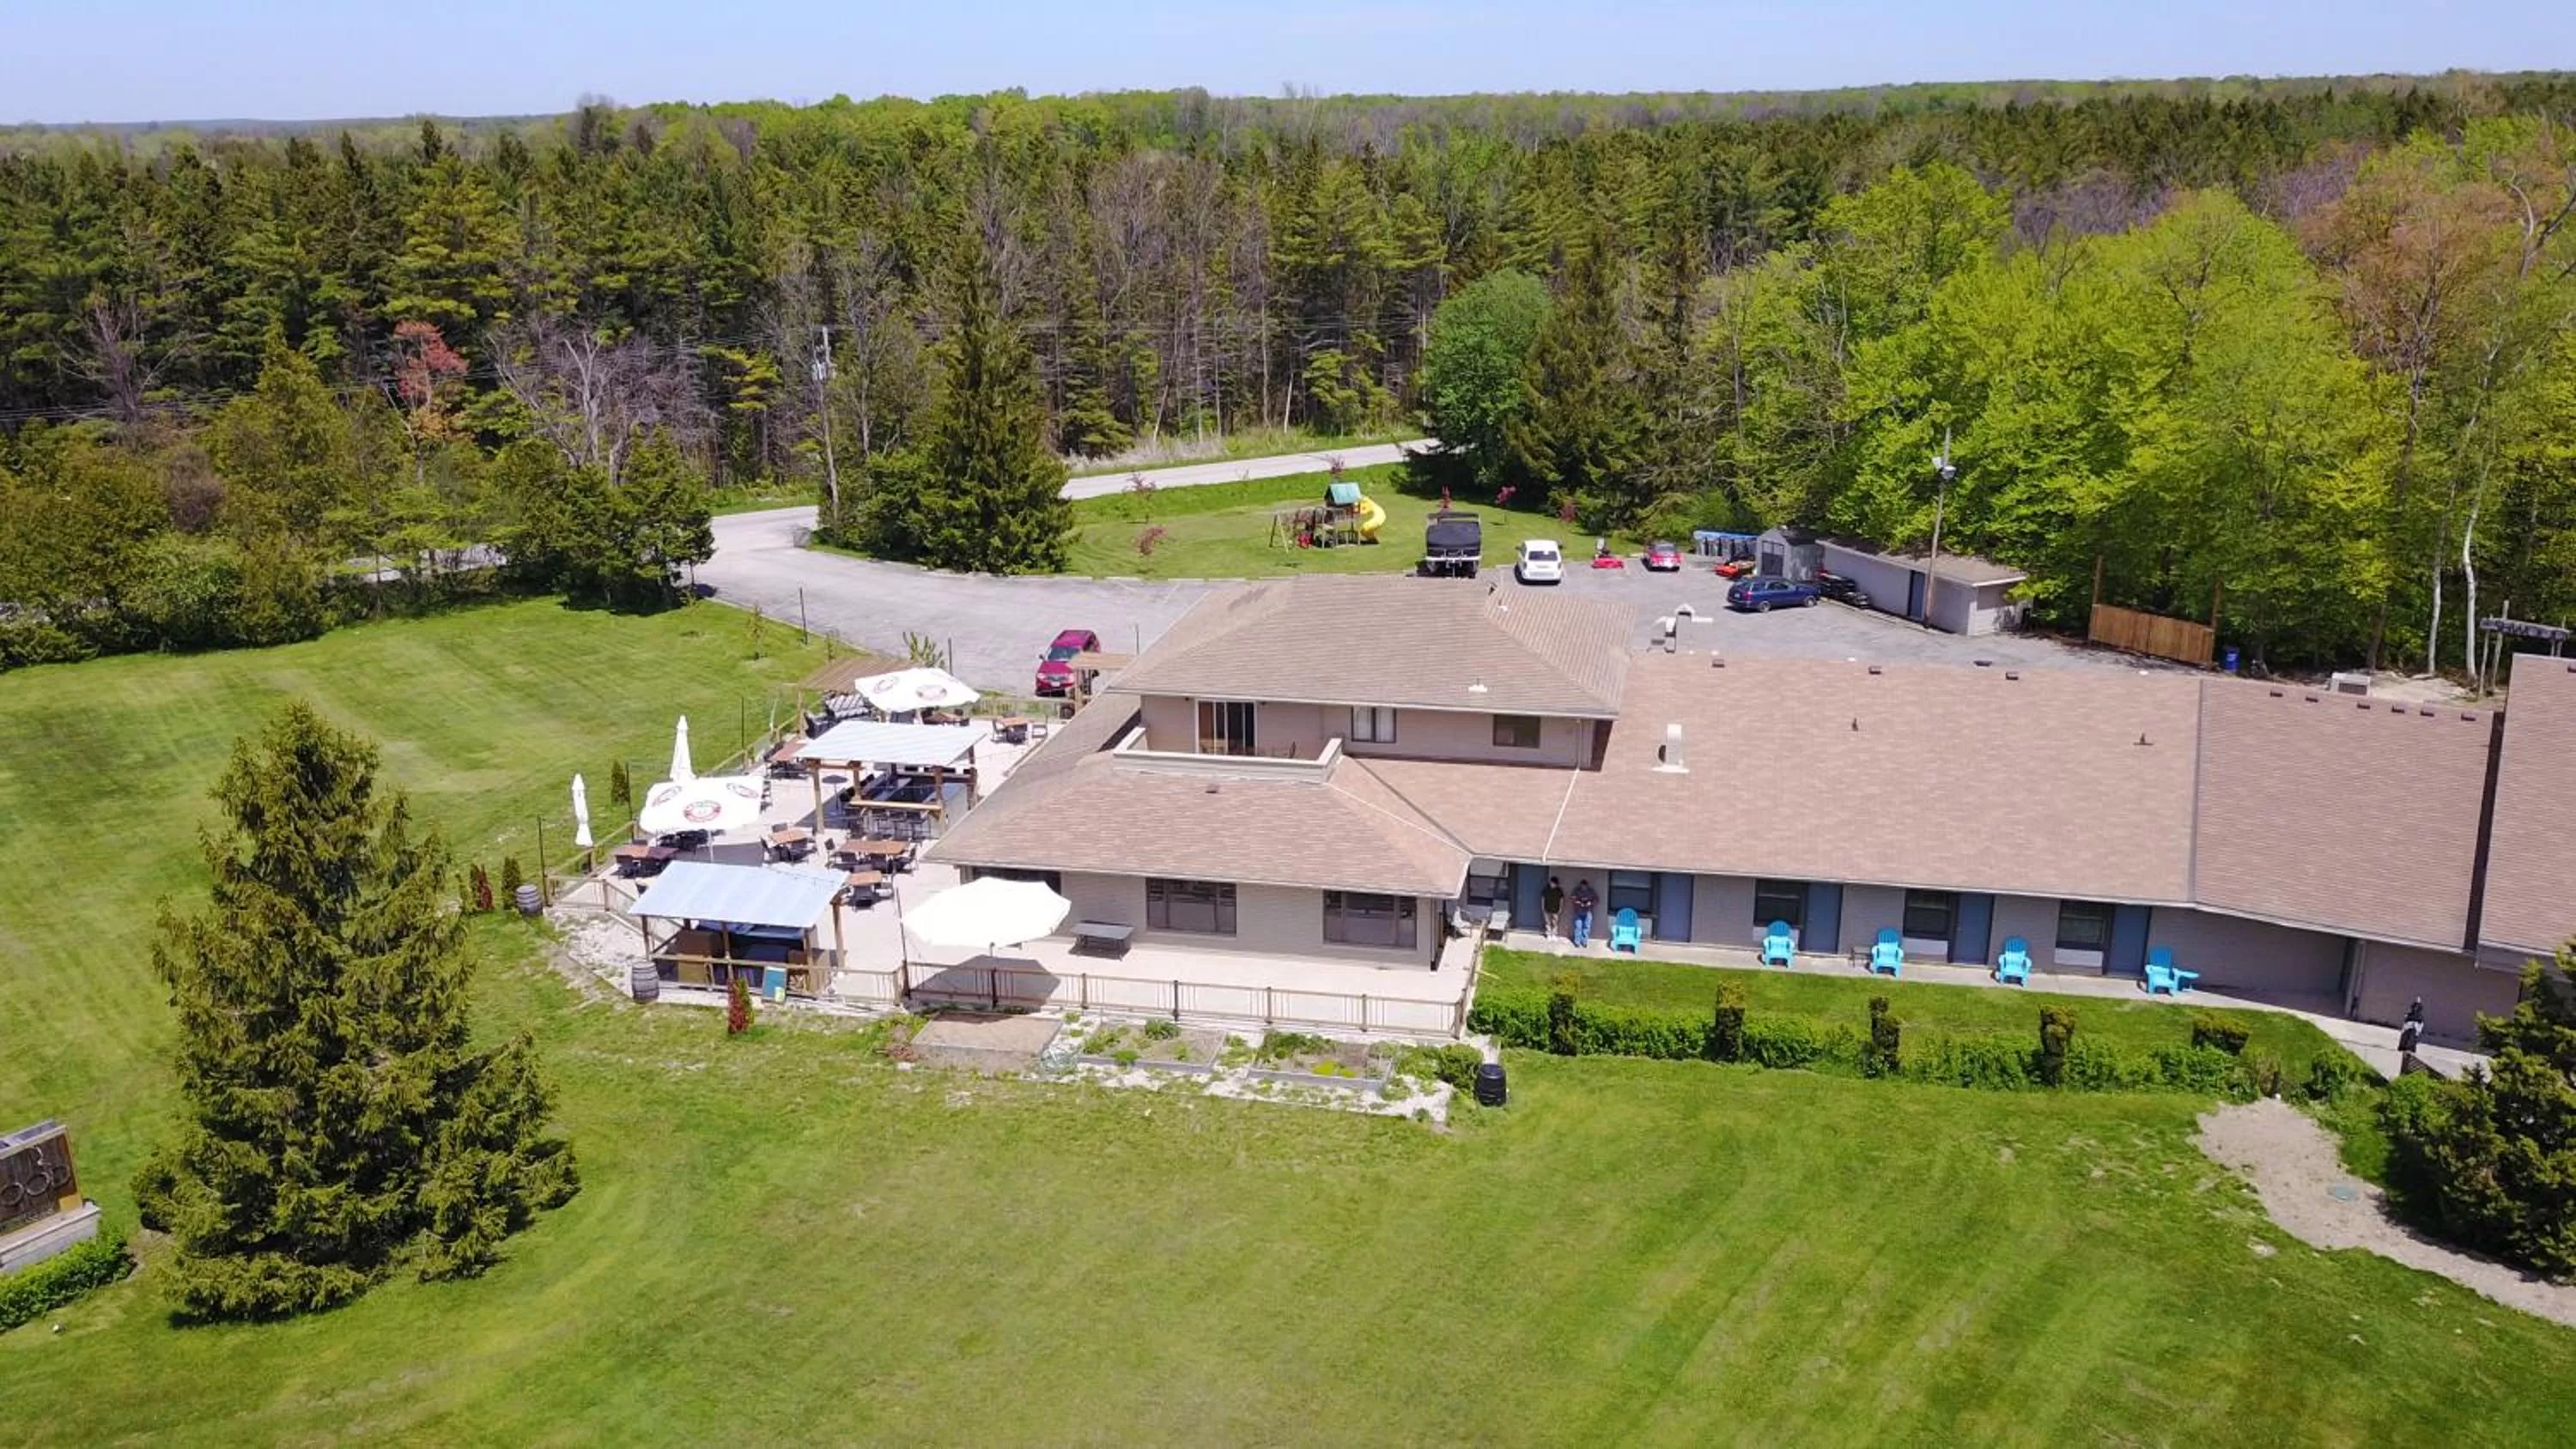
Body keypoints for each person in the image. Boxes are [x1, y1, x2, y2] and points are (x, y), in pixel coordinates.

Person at [1569, 878, 1599, 949]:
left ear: (1587, 886)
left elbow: (1596, 899)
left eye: (1585, 886)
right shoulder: (1577, 890)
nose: (1583, 887)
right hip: (1578, 911)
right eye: (1582, 886)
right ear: (1580, 885)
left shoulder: (1591, 891)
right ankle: (1577, 942)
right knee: (1578, 927)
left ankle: (1584, 942)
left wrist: (1590, 903)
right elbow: (1572, 898)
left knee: (1586, 927)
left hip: (1588, 911)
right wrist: (1579, 902)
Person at [1541, 876, 1565, 940]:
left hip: (1556, 909)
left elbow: (1561, 900)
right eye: (1552, 883)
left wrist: (1561, 908)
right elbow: (1543, 898)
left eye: (1555, 884)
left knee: (1555, 923)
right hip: (1547, 908)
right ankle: (1549, 934)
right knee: (1548, 922)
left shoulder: (1559, 890)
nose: (1553, 885)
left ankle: (1554, 935)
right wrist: (1543, 907)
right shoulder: (1546, 889)